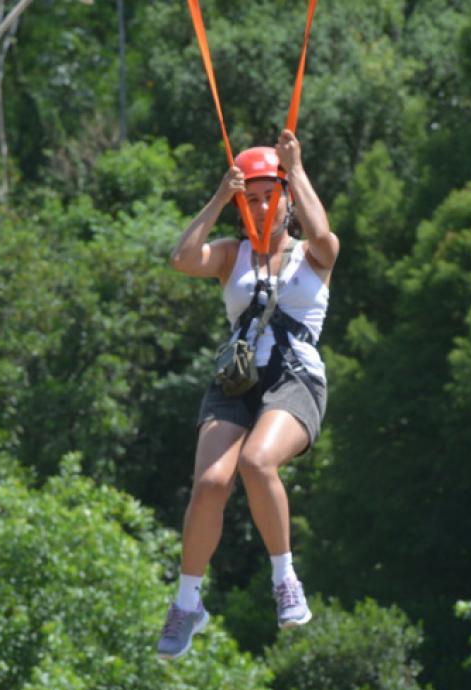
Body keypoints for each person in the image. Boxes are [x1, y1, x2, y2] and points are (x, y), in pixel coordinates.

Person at [157, 129, 339, 659]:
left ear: (286, 203)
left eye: (269, 198)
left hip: (294, 379)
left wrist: (295, 169)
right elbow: (182, 259)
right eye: (251, 200)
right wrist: (220, 195)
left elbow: (324, 233)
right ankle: (188, 601)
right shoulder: (232, 255)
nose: (260, 208)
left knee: (258, 463)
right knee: (211, 482)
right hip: (237, 381)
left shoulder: (313, 254)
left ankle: (285, 578)